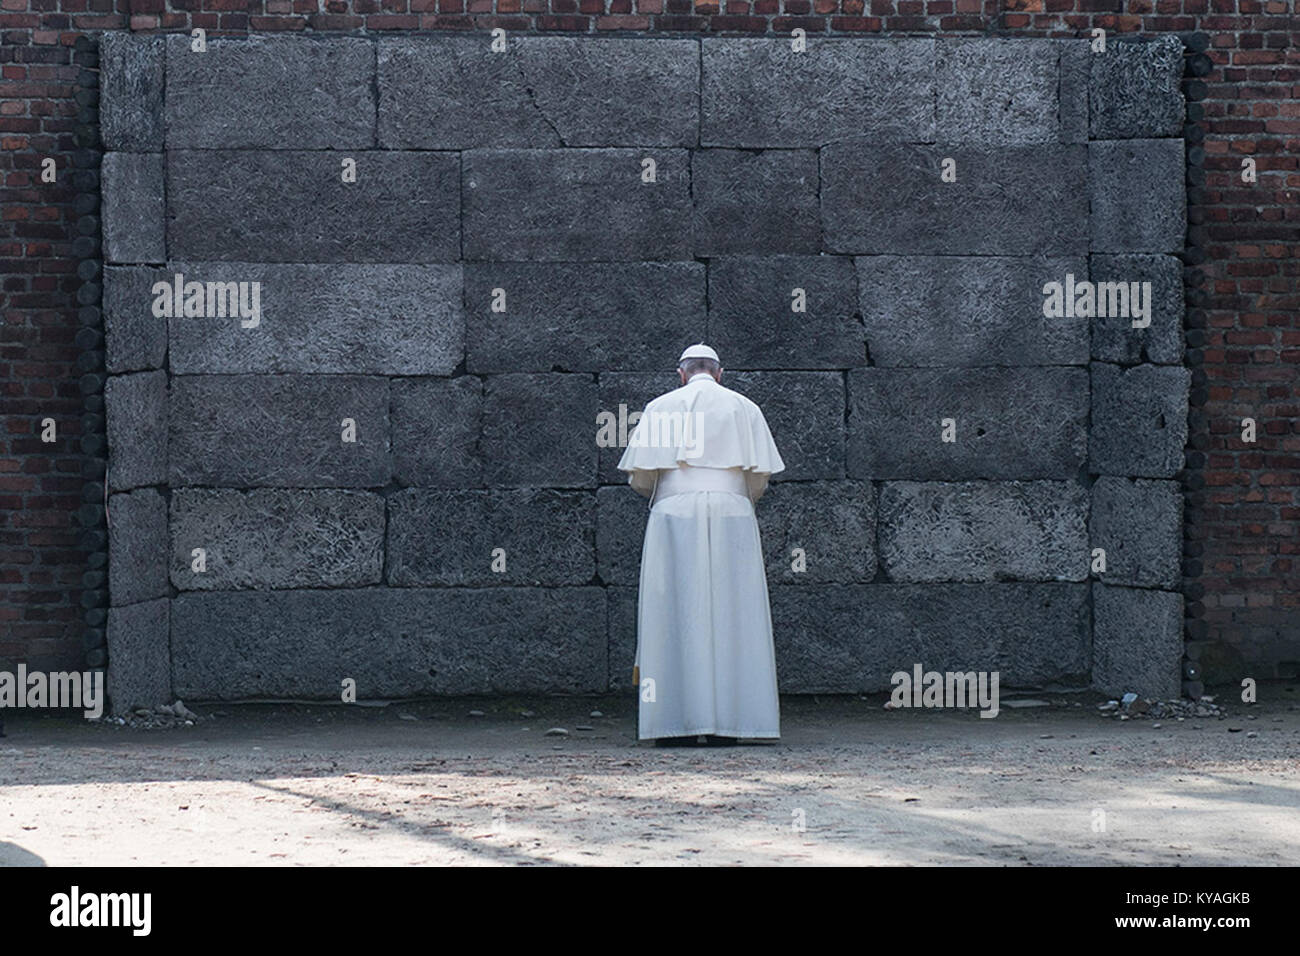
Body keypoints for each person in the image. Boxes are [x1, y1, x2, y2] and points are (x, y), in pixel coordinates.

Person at [617, 344, 785, 747]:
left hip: (674, 515)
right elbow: (759, 479)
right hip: (733, 515)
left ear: (682, 374)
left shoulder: (659, 408)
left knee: (672, 612)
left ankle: (674, 725)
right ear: (719, 373)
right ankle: (732, 723)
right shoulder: (745, 408)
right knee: (734, 615)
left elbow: (641, 480)